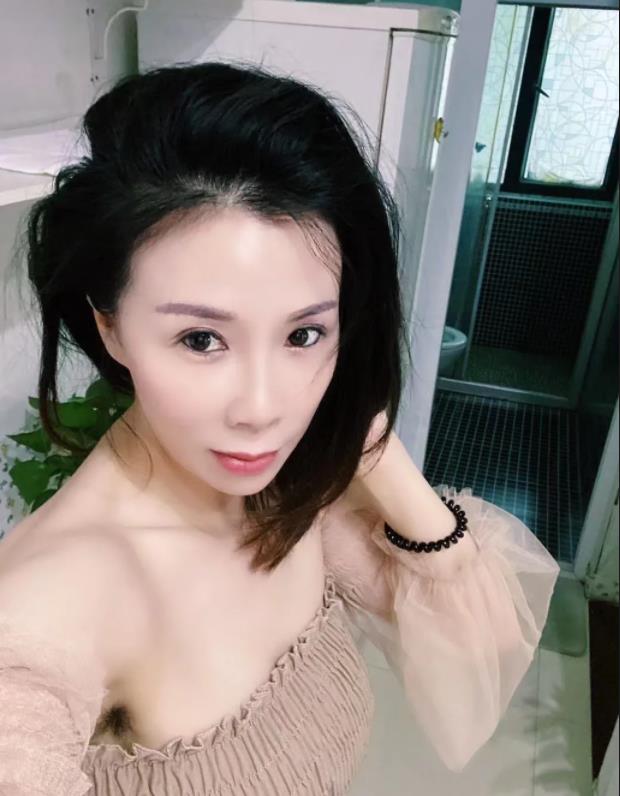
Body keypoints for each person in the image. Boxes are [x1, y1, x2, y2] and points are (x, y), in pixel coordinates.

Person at [0, 61, 560, 795]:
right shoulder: (46, 609)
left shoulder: (289, 487)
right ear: (110, 328)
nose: (263, 408)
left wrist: (367, 443)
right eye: (202, 339)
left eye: (303, 334)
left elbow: (480, 660)